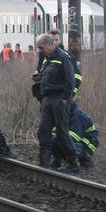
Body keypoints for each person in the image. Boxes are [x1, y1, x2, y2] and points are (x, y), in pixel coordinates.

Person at [33, 33, 78, 171]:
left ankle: (73, 162)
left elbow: (71, 81)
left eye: (41, 47)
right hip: (47, 99)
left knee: (62, 132)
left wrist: (64, 100)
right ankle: (44, 163)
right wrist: (39, 77)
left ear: (51, 44)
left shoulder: (64, 57)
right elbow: (50, 75)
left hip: (59, 100)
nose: (40, 50)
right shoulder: (47, 58)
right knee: (44, 131)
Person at [49, 104, 98, 171]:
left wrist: (58, 138)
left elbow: (75, 136)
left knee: (66, 143)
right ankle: (58, 160)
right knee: (52, 141)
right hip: (77, 139)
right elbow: (57, 129)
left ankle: (85, 162)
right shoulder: (65, 112)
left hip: (87, 142)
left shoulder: (78, 116)